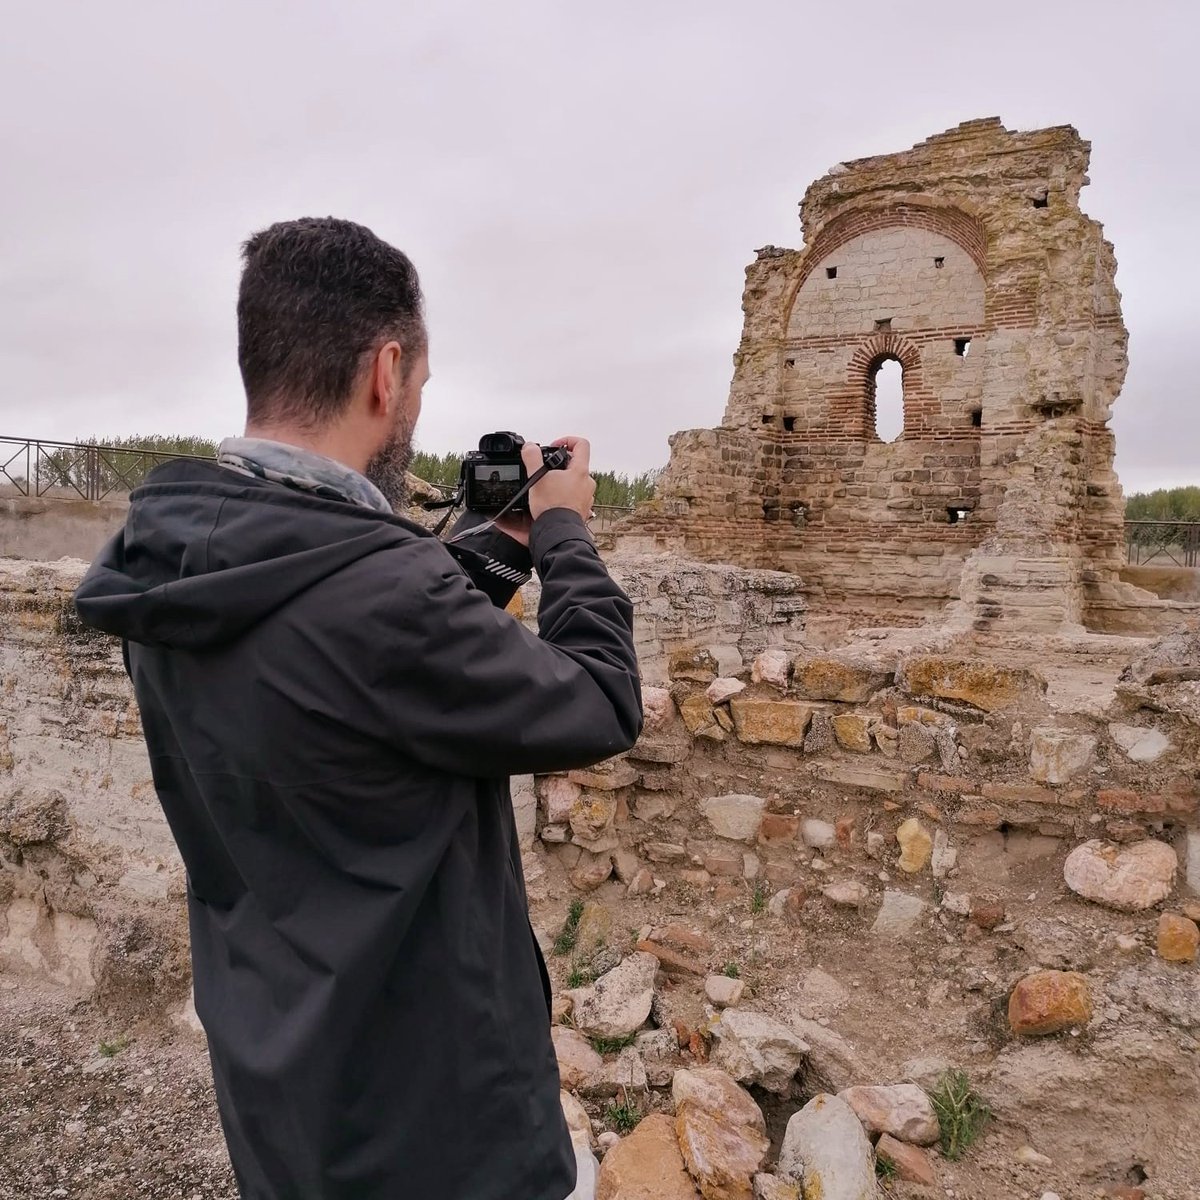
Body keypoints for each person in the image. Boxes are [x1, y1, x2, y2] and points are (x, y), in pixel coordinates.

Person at [73, 217, 643, 1200]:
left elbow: (350, 655)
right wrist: (563, 532)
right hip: (445, 1135)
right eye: (418, 384)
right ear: (386, 371)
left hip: (283, 1102)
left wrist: (496, 548)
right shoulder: (384, 597)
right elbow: (600, 697)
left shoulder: (165, 563)